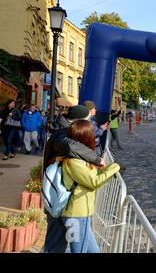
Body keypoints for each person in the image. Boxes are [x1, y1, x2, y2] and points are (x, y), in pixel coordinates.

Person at [43, 105, 106, 253]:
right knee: (56, 246)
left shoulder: (64, 129)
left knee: (82, 246)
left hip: (63, 199)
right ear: (79, 122)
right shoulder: (62, 134)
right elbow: (70, 147)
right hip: (62, 201)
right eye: (88, 121)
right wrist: (97, 159)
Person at [61, 120, 120, 253]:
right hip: (75, 216)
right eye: (91, 133)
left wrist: (106, 168)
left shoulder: (80, 157)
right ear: (85, 137)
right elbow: (93, 182)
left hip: (83, 214)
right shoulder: (73, 161)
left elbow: (91, 176)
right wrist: (115, 167)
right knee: (76, 250)